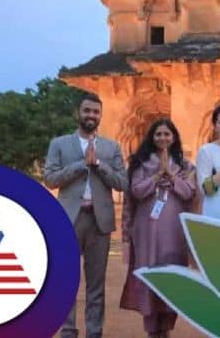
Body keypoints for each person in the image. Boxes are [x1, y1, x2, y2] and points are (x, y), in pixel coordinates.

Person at [44, 93, 128, 338]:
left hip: (99, 221)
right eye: (87, 111)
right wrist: (81, 165)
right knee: (67, 280)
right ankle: (68, 331)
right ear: (78, 113)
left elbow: (122, 182)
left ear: (101, 116)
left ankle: (94, 332)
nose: (91, 115)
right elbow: (50, 178)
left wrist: (99, 166)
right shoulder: (59, 144)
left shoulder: (111, 147)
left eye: (96, 112)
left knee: (96, 284)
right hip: (69, 218)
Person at [120, 118, 196, 338]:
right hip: (147, 232)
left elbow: (188, 193)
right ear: (152, 138)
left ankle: (166, 328)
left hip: (174, 232)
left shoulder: (185, 165)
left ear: (174, 138)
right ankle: (152, 330)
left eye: (167, 134)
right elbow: (137, 192)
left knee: (171, 274)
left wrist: (170, 175)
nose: (163, 138)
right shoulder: (139, 164)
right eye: (158, 134)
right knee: (150, 274)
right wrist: (156, 175)